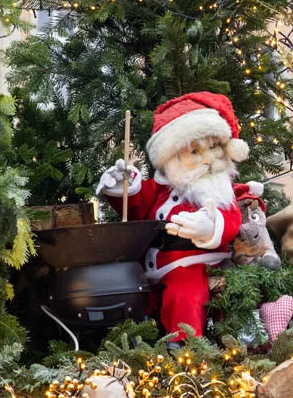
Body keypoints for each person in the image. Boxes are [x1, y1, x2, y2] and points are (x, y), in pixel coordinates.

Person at [97, 92, 247, 340]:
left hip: (192, 265)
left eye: (214, 148)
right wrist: (122, 186)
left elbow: (230, 220)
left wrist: (208, 227)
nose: (208, 159)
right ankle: (129, 343)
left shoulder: (218, 189)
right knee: (126, 291)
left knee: (184, 292)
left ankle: (184, 345)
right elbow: (137, 205)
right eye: (195, 151)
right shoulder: (162, 186)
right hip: (148, 269)